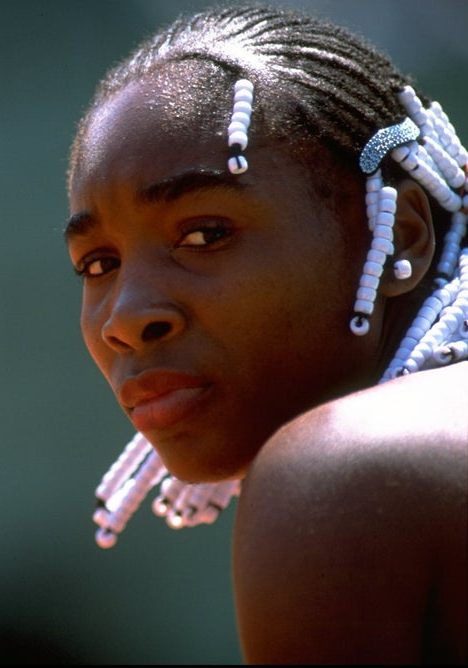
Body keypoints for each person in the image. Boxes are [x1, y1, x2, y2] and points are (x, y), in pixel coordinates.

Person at [63, 3, 467, 663]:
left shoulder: (343, 476)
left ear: (401, 233)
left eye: (205, 234)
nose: (125, 320)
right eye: (98, 265)